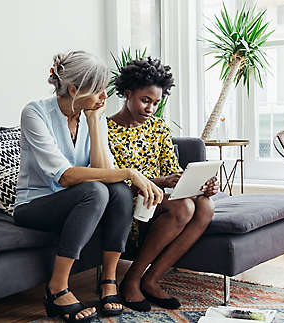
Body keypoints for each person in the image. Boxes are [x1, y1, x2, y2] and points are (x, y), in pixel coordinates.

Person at [13, 51, 164, 322]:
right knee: (96, 190)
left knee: (117, 190)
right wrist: (132, 172)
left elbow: (106, 172)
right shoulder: (35, 112)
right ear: (73, 90)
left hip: (77, 200)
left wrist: (94, 124)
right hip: (35, 205)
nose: (104, 98)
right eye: (98, 91)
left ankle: (108, 281)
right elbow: (66, 177)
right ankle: (56, 287)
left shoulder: (91, 114)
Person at [107, 57, 219, 312]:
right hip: (127, 205)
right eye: (145, 100)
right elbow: (110, 176)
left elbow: (172, 170)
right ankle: (132, 279)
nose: (150, 108)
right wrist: (159, 181)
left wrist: (200, 183)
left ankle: (151, 278)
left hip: (157, 202)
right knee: (184, 209)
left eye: (155, 103)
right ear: (127, 93)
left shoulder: (158, 127)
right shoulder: (106, 129)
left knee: (205, 205)